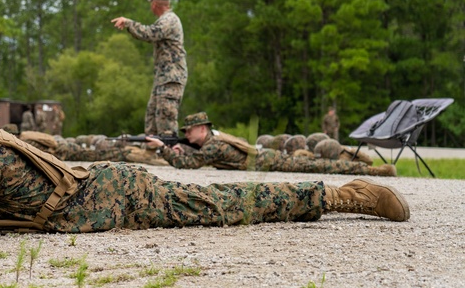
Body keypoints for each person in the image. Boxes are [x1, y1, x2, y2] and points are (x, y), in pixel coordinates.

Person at [0, 85, 409, 241]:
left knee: (234, 203)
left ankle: (343, 195)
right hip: (109, 190)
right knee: (228, 205)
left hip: (119, 196)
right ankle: (336, 193)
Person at [145, 112, 394, 176]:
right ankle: (349, 159)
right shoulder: (215, 139)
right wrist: (176, 148)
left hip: (266, 161)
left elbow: (188, 165)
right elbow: (192, 156)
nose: (186, 135)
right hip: (264, 158)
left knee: (321, 168)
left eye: (188, 131)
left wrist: (162, 149)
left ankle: (372, 169)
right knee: (314, 165)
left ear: (202, 129)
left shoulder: (213, 145)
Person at [111, 0, 187, 137]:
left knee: (166, 119)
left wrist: (128, 23)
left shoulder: (169, 20)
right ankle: (153, 151)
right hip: (163, 78)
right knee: (152, 118)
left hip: (172, 77)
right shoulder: (165, 19)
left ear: (155, 4)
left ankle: (168, 152)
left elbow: (150, 33)